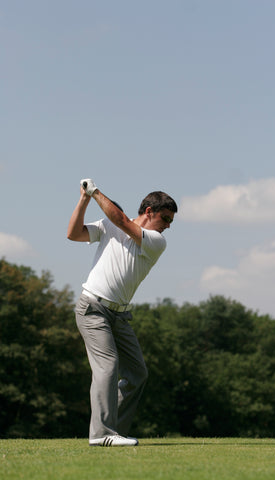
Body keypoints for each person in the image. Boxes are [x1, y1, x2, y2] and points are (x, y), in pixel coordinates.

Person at [67, 179, 178, 447]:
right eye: (165, 218)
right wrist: (84, 199)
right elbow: (74, 233)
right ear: (149, 211)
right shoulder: (108, 225)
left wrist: (95, 193)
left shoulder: (156, 241)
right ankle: (101, 434)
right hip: (92, 308)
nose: (168, 225)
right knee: (107, 366)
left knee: (137, 373)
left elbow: (121, 222)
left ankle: (113, 430)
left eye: (171, 221)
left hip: (120, 316)